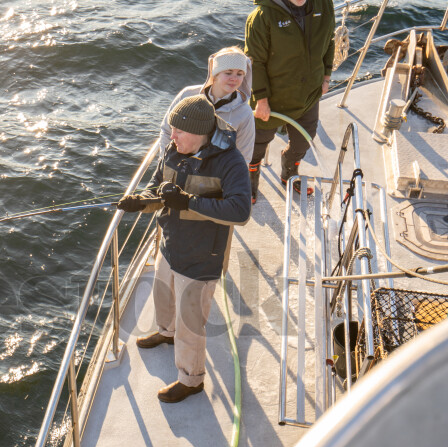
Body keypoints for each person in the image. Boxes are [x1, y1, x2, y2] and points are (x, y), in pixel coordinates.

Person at [118, 95, 251, 403]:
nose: (172, 136)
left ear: (201, 132)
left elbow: (240, 211)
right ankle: (166, 332)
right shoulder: (174, 149)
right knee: (162, 295)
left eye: (179, 131)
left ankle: (191, 379)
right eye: (172, 130)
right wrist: (141, 201)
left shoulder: (231, 162)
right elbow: (156, 186)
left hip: (202, 256)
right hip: (169, 244)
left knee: (191, 323)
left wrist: (189, 202)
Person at [244, 0, 335, 202]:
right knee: (257, 143)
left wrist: (326, 76)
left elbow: (330, 41)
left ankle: (289, 169)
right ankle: (250, 177)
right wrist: (261, 99)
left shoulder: (324, 5)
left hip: (309, 94)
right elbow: (254, 61)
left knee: (305, 138)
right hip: (272, 98)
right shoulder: (261, 16)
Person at [158, 47, 255, 165]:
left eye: (239, 74)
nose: (234, 78)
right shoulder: (187, 94)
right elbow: (167, 131)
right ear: (215, 74)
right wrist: (165, 164)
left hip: (216, 178)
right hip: (178, 165)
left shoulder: (245, 113)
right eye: (228, 73)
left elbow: (244, 156)